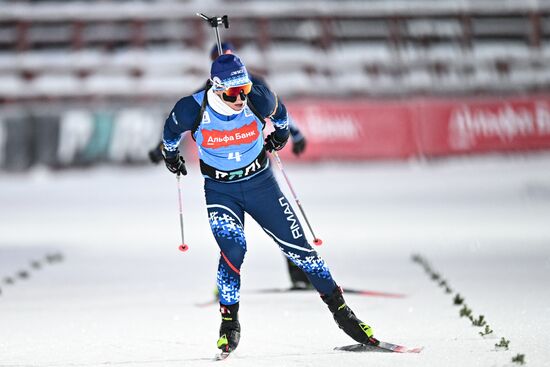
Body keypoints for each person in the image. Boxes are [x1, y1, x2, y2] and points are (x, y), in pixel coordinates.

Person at [160, 53, 376, 354]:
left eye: (244, 89)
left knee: (302, 251)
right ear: (217, 87)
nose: (240, 98)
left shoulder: (257, 98)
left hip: (262, 185)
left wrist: (283, 134)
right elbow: (170, 133)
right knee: (234, 249)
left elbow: (282, 114)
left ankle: (344, 314)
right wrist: (171, 155)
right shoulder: (191, 108)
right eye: (234, 92)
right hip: (222, 191)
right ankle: (229, 323)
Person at [150, 42, 311, 290]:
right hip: (222, 174)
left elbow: (276, 109)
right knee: (230, 230)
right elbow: (184, 123)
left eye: (228, 55)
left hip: (256, 166)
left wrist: (295, 134)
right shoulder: (207, 92)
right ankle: (225, 280)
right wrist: (161, 148)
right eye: (219, 56)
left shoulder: (254, 83)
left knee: (280, 221)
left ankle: (300, 273)